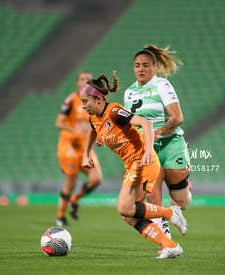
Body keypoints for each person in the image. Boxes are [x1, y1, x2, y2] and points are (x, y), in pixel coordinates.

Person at [80, 72, 187, 259]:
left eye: (85, 101)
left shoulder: (113, 111)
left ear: (98, 99)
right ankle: (170, 245)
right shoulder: (94, 117)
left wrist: (147, 150)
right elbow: (93, 129)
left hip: (143, 162)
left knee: (123, 207)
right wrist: (86, 152)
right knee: (129, 215)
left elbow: (144, 122)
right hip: (132, 166)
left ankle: (170, 212)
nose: (83, 105)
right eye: (81, 102)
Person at [123, 44, 193, 238]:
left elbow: (178, 118)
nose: (141, 69)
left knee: (181, 202)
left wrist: (158, 132)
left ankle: (185, 186)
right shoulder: (128, 93)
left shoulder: (161, 85)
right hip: (148, 150)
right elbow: (130, 124)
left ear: (154, 67)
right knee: (154, 196)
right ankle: (167, 242)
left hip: (171, 143)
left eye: (145, 65)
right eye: (137, 65)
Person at [55, 70, 103, 227]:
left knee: (96, 179)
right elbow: (59, 122)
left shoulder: (96, 100)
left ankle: (74, 200)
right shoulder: (71, 100)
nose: (85, 81)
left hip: (85, 146)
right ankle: (60, 216)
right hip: (68, 145)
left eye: (88, 79)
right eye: (82, 79)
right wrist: (75, 130)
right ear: (77, 83)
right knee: (71, 181)